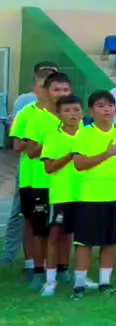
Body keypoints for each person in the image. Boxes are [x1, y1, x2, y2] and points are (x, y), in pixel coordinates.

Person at [72, 91, 116, 299]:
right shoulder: (83, 134)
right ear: (91, 111)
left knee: (110, 241)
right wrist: (107, 154)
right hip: (88, 196)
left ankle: (105, 283)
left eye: (110, 105)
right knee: (84, 242)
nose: (107, 109)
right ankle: (79, 285)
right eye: (101, 106)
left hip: (114, 195)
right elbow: (79, 164)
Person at [9, 67, 68, 288]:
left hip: (63, 179)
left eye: (63, 89)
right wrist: (53, 143)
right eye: (52, 87)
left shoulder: (71, 114)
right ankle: (32, 265)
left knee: (63, 226)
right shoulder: (29, 113)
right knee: (33, 223)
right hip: (33, 177)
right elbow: (19, 146)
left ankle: (61, 268)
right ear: (41, 88)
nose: (58, 93)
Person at [3, 61, 58, 270]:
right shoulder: (26, 106)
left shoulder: (64, 110)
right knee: (25, 216)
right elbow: (19, 144)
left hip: (58, 173)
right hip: (32, 173)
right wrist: (45, 143)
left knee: (56, 220)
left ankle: (55, 265)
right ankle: (17, 258)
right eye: (47, 85)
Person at [40, 94, 84, 297]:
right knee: (55, 235)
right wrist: (70, 155)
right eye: (67, 110)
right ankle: (50, 281)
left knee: (82, 238)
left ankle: (81, 277)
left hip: (85, 195)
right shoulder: (52, 137)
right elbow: (49, 168)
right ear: (58, 115)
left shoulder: (89, 134)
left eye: (76, 110)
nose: (72, 114)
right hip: (61, 195)